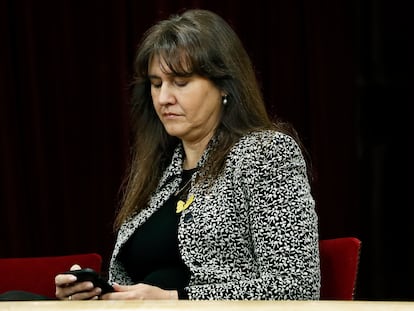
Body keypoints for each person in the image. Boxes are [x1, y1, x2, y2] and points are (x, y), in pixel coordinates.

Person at [54, 8, 320, 300]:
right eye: (156, 84)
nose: (164, 98)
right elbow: (140, 284)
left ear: (223, 86)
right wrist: (96, 291)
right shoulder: (159, 167)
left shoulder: (265, 153)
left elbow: (297, 287)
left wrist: (174, 299)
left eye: (180, 83)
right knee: (13, 298)